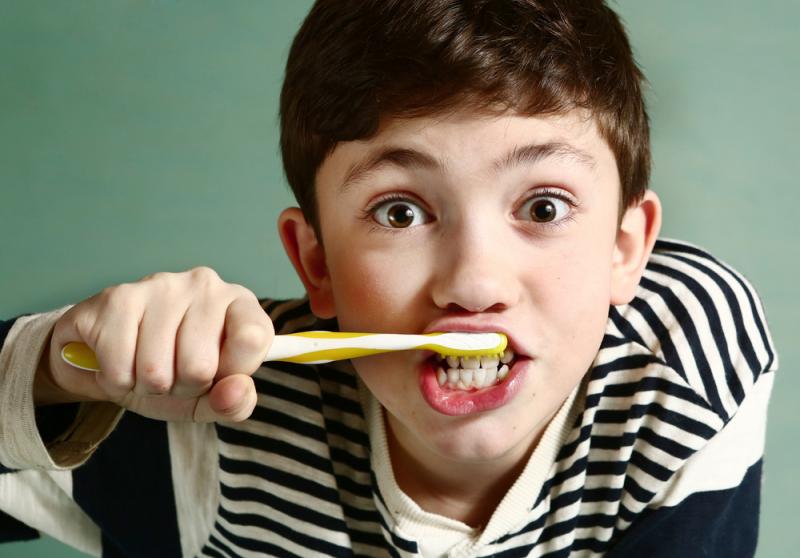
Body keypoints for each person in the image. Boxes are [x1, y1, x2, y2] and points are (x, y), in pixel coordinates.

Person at [0, 0, 778, 556]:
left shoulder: (685, 361)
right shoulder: (213, 421)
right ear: (316, 264)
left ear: (626, 249)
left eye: (543, 205)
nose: (473, 283)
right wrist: (53, 368)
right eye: (400, 213)